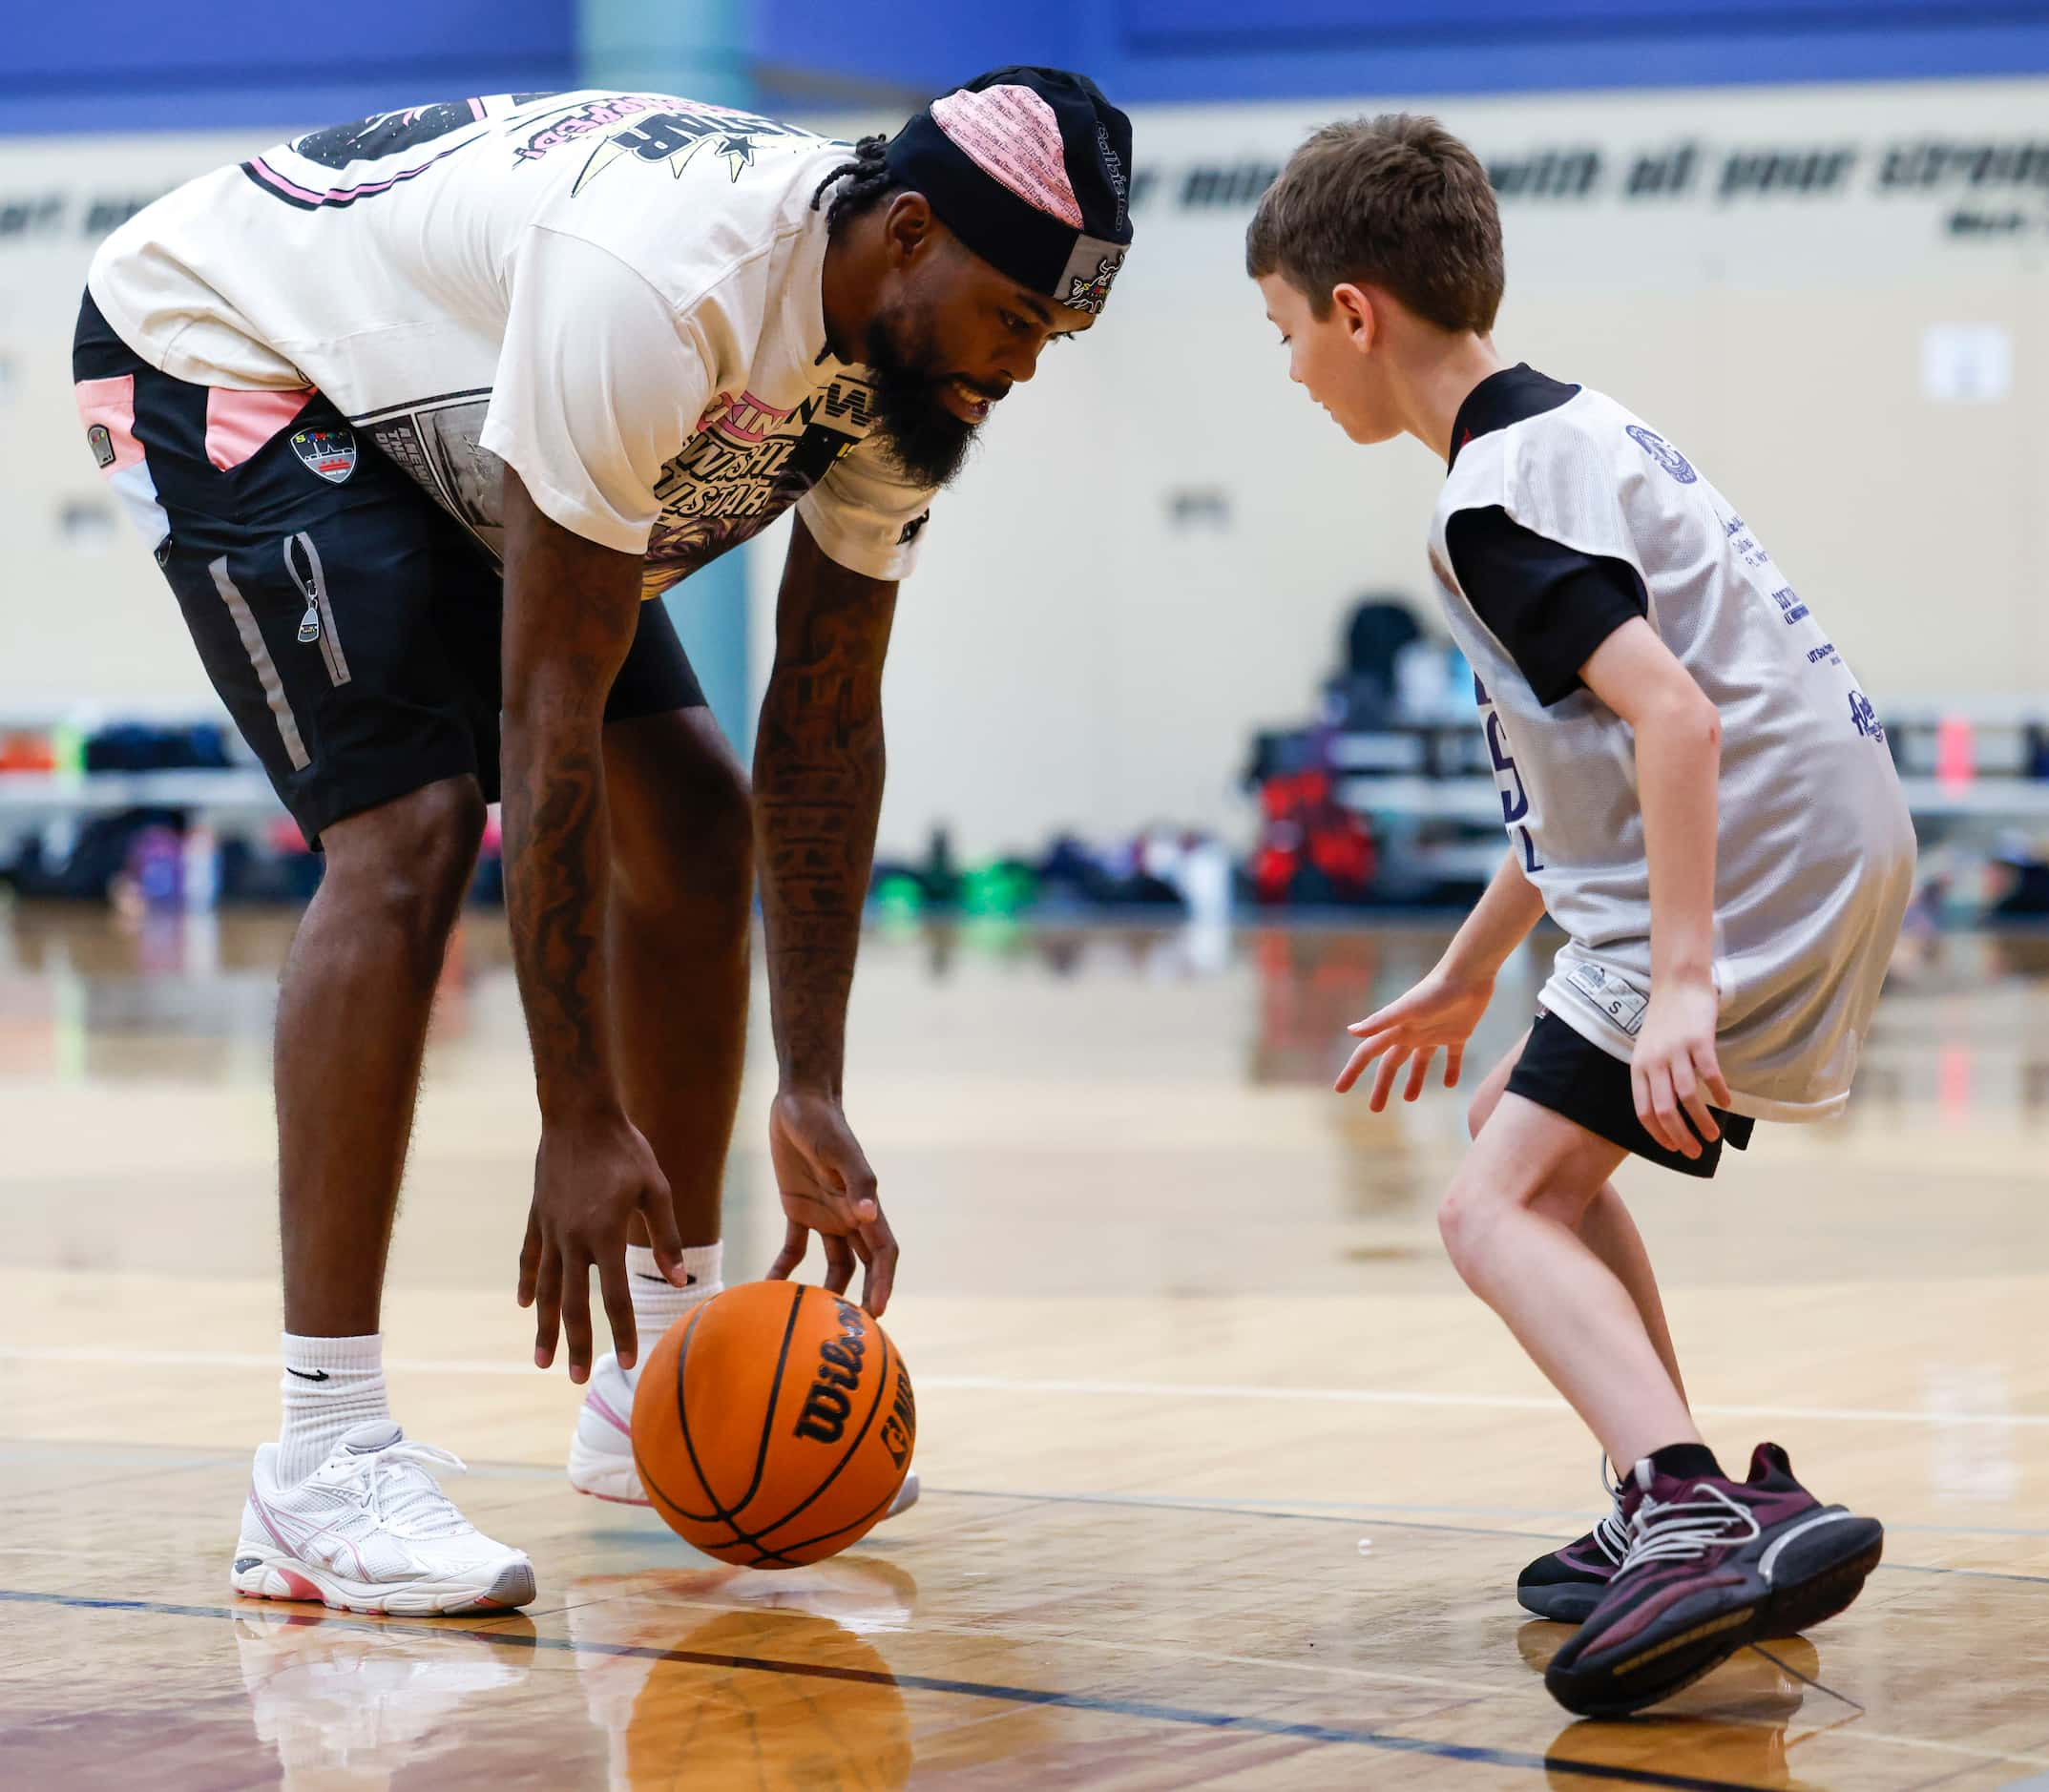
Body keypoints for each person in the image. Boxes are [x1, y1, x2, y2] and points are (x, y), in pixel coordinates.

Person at [74, 68, 1135, 1615]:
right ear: (908, 234)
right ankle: (320, 1457)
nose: (1022, 370)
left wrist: (812, 1080)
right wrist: (574, 1113)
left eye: (1053, 337)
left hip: (459, 397)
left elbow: (825, 715)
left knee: (696, 817)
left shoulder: (913, 371)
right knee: (413, 826)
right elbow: (543, 724)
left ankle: (659, 1378)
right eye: (1019, 324)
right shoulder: (664, 290)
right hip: (240, 344)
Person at [1246, 115, 1913, 1717]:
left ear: (1356, 313)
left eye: (1285, 335)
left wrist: (1679, 982)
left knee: (1486, 1209)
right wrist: (1465, 973)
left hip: (1756, 860)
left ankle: (1683, 1497)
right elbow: (1588, 785)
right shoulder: (1569, 430)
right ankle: (1668, 1502)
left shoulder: (1491, 494)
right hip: (1808, 832)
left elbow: (1672, 719)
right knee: (1513, 1127)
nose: (1291, 375)